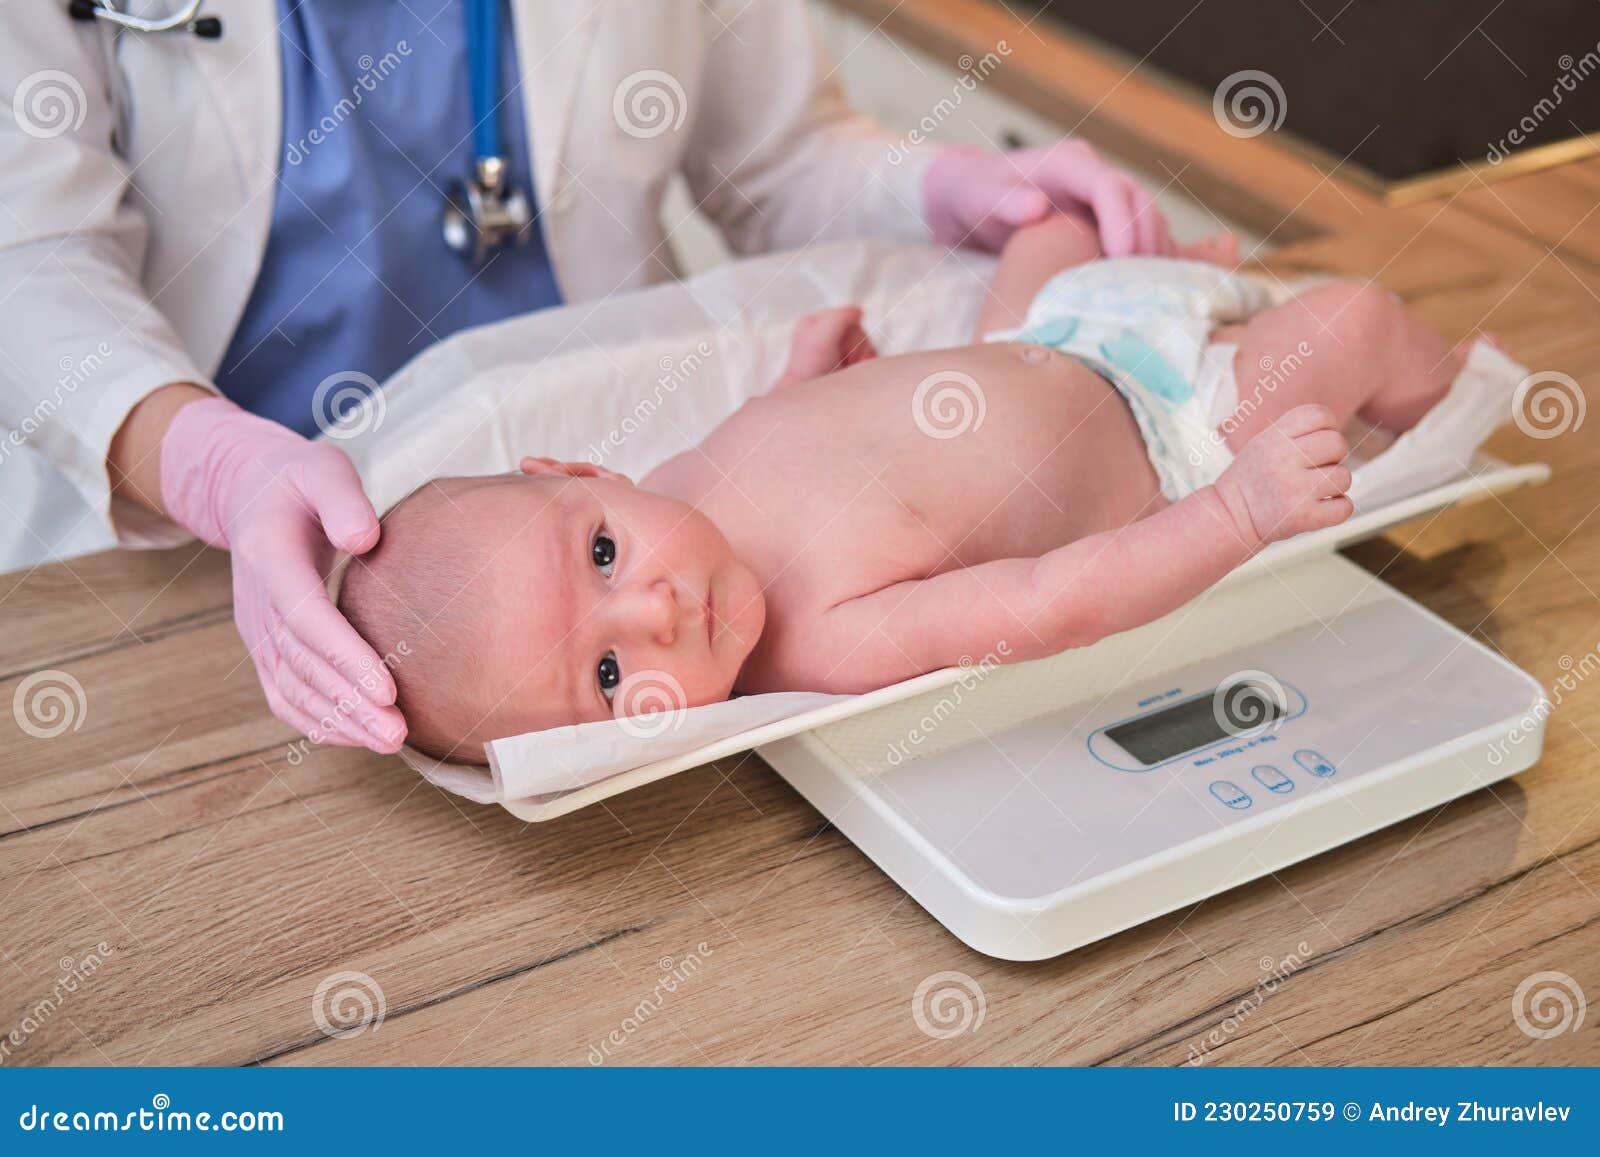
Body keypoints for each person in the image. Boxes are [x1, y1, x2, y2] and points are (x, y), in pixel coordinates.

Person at [0, 1, 1178, 754]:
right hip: (171, 553)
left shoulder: (694, 551)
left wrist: (935, 191)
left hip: (621, 465)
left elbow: (778, 158)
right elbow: (26, 258)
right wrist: (211, 466)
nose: (650, 609)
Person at [334, 213, 1523, 763]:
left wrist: (814, 384)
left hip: (1046, 333)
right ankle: (1436, 406)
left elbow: (799, 444)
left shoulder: (680, 479)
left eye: (599, 555)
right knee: (1352, 323)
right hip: (1169, 428)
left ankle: (1179, 276)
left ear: (582, 470)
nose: (652, 610)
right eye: (607, 676)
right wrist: (1237, 510)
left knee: (1048, 229)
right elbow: (1059, 595)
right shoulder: (824, 641)